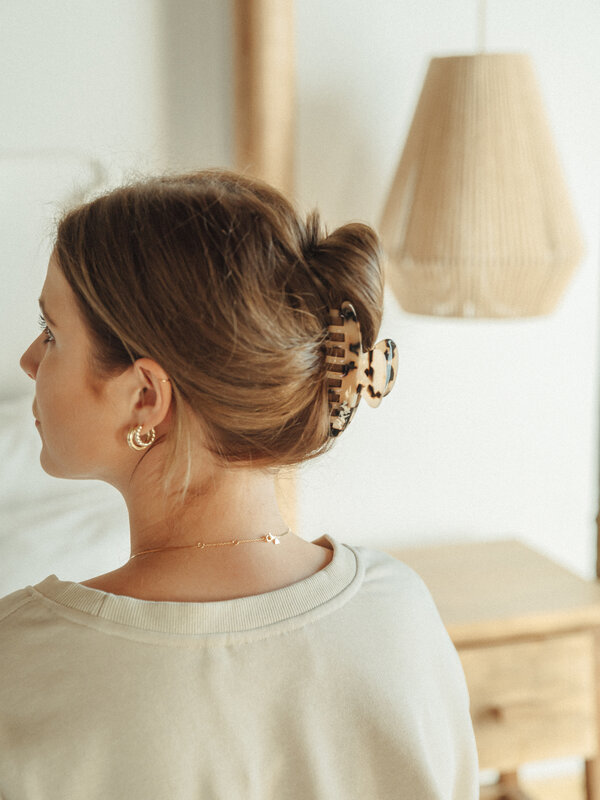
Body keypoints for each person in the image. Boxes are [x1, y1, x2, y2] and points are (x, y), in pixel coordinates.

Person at [0, 169, 478, 799]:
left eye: (53, 333)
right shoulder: (402, 613)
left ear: (144, 396)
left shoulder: (23, 664)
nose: (30, 359)